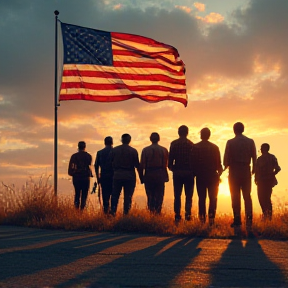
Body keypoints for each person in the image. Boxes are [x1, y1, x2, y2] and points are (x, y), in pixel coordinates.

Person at [223, 122, 257, 228]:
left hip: (234, 171)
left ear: (234, 130)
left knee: (235, 196)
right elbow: (254, 158)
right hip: (246, 169)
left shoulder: (230, 142)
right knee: (247, 196)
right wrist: (253, 170)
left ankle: (237, 219)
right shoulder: (250, 141)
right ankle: (249, 219)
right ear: (243, 129)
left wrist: (226, 166)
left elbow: (226, 159)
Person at [194, 128, 223, 225]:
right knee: (213, 198)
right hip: (213, 176)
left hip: (200, 176)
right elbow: (219, 164)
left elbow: (192, 163)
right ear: (209, 135)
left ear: (201, 135)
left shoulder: (195, 147)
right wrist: (219, 174)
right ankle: (211, 219)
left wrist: (195, 173)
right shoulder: (215, 147)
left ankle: (202, 219)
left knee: (201, 198)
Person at [110, 134, 142, 216]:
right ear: (130, 140)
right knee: (128, 197)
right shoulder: (133, 151)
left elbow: (110, 164)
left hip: (117, 175)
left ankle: (113, 213)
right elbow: (137, 165)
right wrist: (141, 177)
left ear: (121, 140)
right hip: (130, 176)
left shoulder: (115, 150)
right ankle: (126, 214)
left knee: (115, 196)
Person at [168, 125, 194, 222]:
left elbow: (170, 161)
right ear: (187, 133)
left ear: (178, 132)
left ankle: (177, 215)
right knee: (189, 195)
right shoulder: (191, 144)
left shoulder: (174, 144)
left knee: (177, 195)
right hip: (189, 172)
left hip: (177, 172)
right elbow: (193, 160)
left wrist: (172, 168)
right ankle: (188, 215)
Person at [139, 132, 169, 214]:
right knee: (159, 197)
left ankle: (151, 214)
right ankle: (158, 213)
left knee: (150, 196)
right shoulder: (164, 150)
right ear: (159, 139)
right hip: (160, 175)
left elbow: (141, 166)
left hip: (149, 175)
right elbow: (166, 165)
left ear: (150, 139)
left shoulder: (145, 150)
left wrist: (142, 178)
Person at [255, 143, 281, 220]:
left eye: (261, 148)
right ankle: (267, 216)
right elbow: (278, 169)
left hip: (262, 181)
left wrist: (256, 179)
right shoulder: (272, 158)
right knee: (266, 198)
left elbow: (256, 171)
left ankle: (267, 216)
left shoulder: (260, 159)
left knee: (262, 199)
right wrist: (272, 175)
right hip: (266, 181)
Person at [68, 141, 93, 210]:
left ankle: (76, 210)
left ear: (78, 147)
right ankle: (82, 209)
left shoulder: (74, 156)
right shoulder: (88, 156)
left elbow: (70, 169)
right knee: (84, 195)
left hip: (77, 177)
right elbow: (89, 165)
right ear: (85, 147)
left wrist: (73, 173)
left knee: (77, 193)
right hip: (85, 177)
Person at [94, 136, 114, 214]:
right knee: (113, 195)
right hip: (113, 176)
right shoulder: (115, 151)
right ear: (112, 142)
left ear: (104, 143)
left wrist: (98, 177)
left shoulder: (100, 152)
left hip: (104, 176)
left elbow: (96, 165)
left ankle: (106, 212)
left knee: (105, 196)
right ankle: (112, 212)